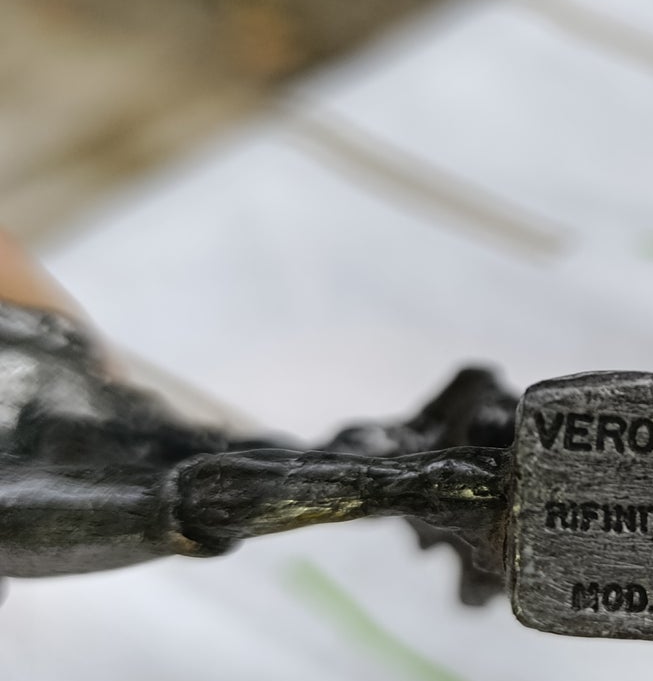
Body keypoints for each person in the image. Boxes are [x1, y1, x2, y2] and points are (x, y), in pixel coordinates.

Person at [0, 227, 514, 598]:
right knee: (182, 481)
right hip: (44, 371)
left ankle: (432, 479)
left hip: (41, 374)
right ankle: (421, 471)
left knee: (177, 496)